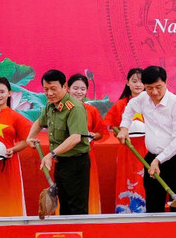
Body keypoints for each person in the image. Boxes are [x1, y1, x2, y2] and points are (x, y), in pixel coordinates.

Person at [116, 66, 176, 213]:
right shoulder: (143, 98)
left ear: (166, 82)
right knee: (153, 203)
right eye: (149, 88)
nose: (154, 92)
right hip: (151, 157)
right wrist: (124, 127)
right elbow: (129, 108)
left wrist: (159, 160)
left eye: (158, 87)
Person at [27, 69, 90, 215]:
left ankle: (79, 235)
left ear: (64, 87)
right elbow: (40, 122)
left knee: (76, 207)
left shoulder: (74, 107)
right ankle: (66, 236)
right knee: (64, 204)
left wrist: (51, 154)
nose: (49, 93)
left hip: (76, 163)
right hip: (61, 162)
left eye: (53, 89)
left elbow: (76, 137)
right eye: (46, 89)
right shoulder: (51, 104)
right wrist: (30, 137)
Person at [0, 77, 32, 217]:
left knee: (8, 197)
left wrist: (13, 150)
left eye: (2, 92)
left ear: (9, 93)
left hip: (8, 164)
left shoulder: (16, 117)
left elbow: (26, 140)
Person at [104, 68, 147, 213]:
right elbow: (112, 125)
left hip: (147, 148)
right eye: (134, 81)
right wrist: (121, 133)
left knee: (145, 179)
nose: (138, 85)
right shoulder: (120, 104)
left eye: (141, 81)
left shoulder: (151, 103)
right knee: (127, 178)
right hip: (127, 149)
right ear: (127, 83)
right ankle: (125, 211)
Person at [67, 73, 109, 214]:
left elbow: (101, 132)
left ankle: (89, 221)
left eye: (83, 89)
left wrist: (93, 135)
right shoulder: (60, 108)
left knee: (87, 189)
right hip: (64, 156)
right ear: (67, 89)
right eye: (75, 88)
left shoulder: (91, 110)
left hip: (86, 156)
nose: (79, 92)